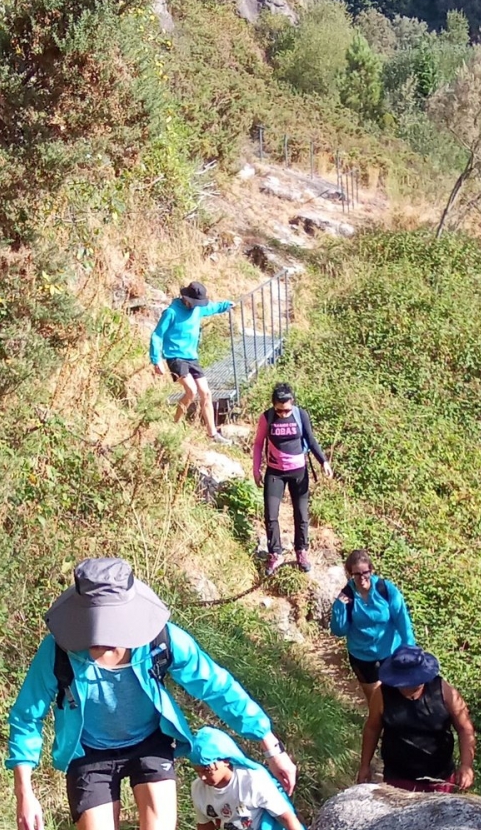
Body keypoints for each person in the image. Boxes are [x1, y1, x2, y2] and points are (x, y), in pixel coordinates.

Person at [7, 558, 298, 830]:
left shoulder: (160, 641)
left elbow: (217, 685)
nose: (101, 637)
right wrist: (25, 790)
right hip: (90, 752)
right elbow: (26, 715)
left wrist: (270, 744)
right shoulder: (59, 650)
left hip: (150, 744)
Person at [357, 645, 475, 793]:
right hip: (398, 778)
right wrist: (365, 765)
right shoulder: (382, 694)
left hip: (439, 779)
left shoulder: (445, 692)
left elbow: (465, 728)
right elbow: (372, 728)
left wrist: (466, 765)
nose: (408, 687)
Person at [253, 381, 331, 575]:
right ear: (273, 405)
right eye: (279, 411)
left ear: (292, 403)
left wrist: (324, 462)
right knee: (271, 515)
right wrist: (256, 469)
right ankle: (275, 554)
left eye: (286, 410)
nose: (283, 414)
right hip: (275, 472)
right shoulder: (267, 417)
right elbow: (258, 444)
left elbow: (311, 440)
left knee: (302, 514)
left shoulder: (300, 415)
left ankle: (301, 551)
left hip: (299, 472)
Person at [150, 280, 234, 441]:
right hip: (175, 357)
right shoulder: (171, 312)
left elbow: (212, 308)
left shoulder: (198, 309)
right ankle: (174, 426)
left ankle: (213, 434)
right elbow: (157, 335)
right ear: (185, 298)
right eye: (194, 302)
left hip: (192, 357)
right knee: (191, 390)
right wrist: (156, 360)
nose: (196, 305)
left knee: (206, 393)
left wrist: (226, 305)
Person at [330, 549, 416, 706]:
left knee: (398, 696)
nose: (362, 578)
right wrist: (339, 607)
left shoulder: (385, 590)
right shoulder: (347, 595)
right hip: (361, 656)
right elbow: (339, 630)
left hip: (389, 652)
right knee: (377, 701)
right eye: (356, 574)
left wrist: (409, 648)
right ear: (350, 574)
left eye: (365, 573)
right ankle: (380, 728)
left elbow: (402, 619)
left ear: (371, 570)